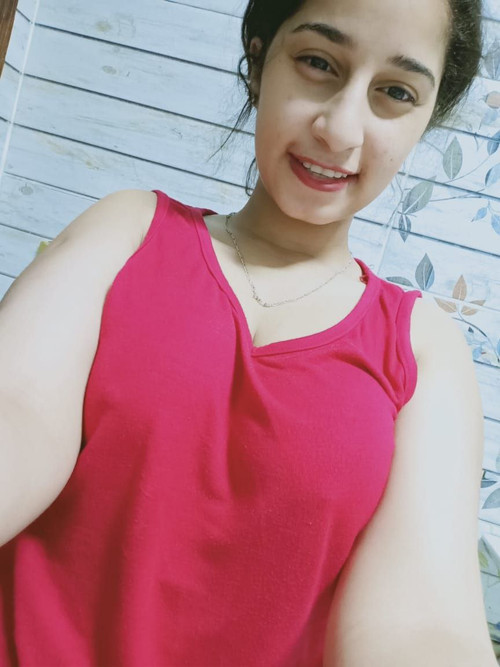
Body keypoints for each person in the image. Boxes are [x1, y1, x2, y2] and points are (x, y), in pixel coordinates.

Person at [0, 0, 496, 664]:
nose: (340, 129)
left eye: (396, 93)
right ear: (259, 62)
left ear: (423, 121)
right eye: (318, 62)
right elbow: (18, 412)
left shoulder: (422, 351)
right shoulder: (127, 230)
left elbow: (422, 619)